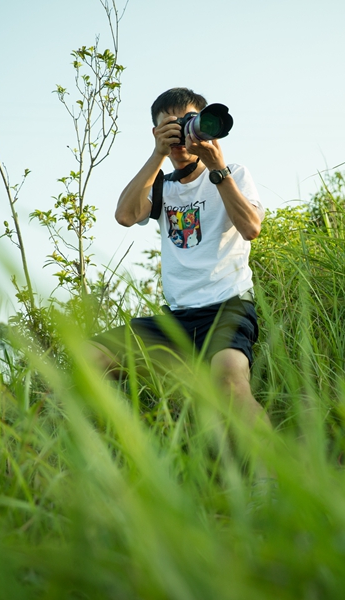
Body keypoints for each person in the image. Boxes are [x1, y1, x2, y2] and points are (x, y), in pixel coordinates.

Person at [85, 87, 271, 434]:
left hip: (228, 310)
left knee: (231, 384)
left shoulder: (233, 173)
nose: (181, 135)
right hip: (177, 321)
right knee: (89, 357)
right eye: (169, 127)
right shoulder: (162, 187)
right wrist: (157, 155)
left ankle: (270, 481)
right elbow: (125, 216)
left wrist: (217, 169)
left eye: (188, 123)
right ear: (156, 132)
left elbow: (250, 229)